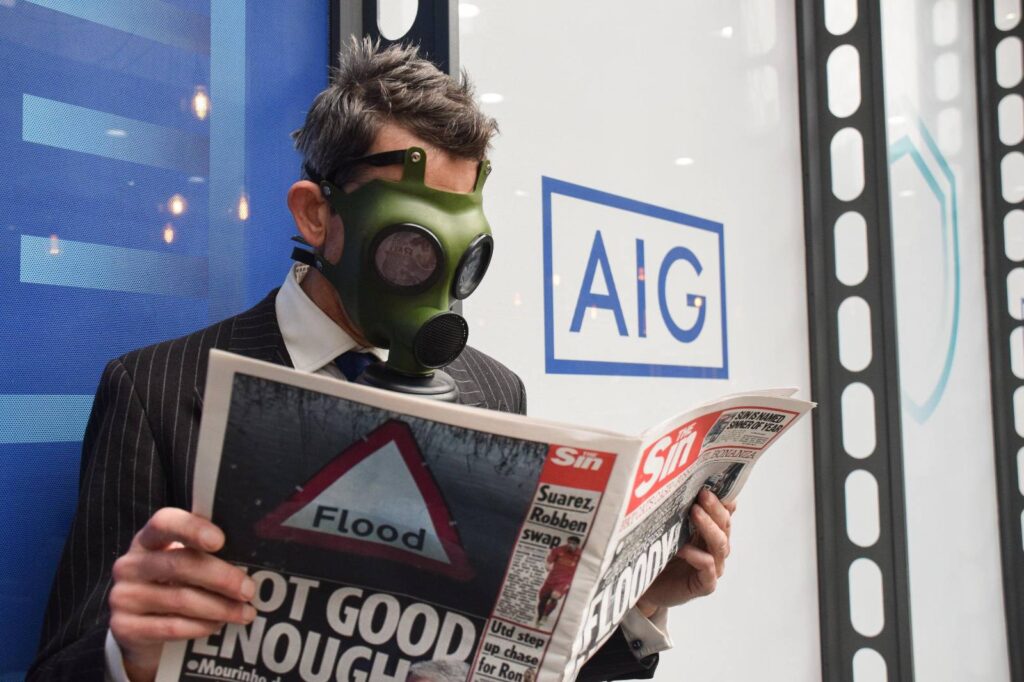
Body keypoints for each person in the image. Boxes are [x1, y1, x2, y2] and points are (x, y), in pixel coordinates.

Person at [28, 39, 737, 682]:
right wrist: (135, 656)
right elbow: (63, 663)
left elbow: (525, 656)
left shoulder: (495, 393)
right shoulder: (158, 390)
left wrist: (636, 606)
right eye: (411, 240)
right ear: (316, 215)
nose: (435, 270)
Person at [537, 536, 582, 625]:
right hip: (551, 579)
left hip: (564, 581)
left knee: (555, 596)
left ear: (577, 545)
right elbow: (549, 560)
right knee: (543, 599)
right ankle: (540, 617)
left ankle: (546, 615)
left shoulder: (580, 554)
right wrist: (548, 564)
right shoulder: (558, 550)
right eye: (569, 542)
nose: (570, 545)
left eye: (573, 543)